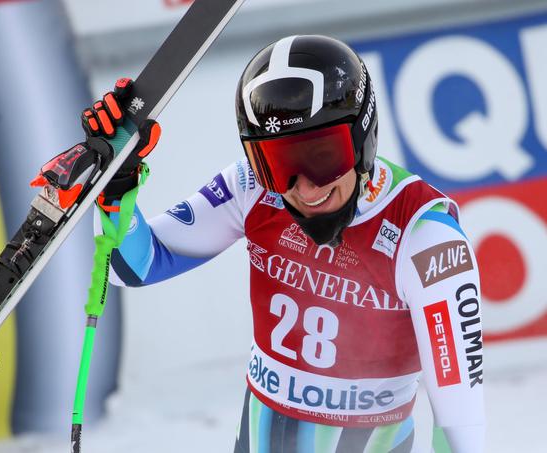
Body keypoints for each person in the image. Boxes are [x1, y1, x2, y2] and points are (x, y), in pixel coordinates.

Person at [85, 35, 485, 453]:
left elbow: (461, 419)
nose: (305, 187)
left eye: (322, 156)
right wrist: (117, 184)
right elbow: (133, 266)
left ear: (362, 137)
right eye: (278, 163)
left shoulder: (426, 236)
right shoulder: (252, 187)